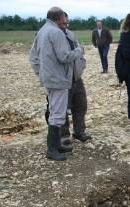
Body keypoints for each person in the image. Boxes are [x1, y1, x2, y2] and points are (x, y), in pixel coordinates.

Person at [30, 7, 84, 161]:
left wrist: (40, 73)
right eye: (64, 18)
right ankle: (52, 149)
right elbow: (64, 56)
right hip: (58, 79)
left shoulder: (42, 31)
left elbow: (33, 56)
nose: (65, 21)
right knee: (58, 114)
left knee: (54, 110)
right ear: (59, 18)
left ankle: (56, 145)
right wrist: (79, 51)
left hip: (50, 77)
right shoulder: (56, 32)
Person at [44, 12, 91, 146]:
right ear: (57, 20)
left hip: (76, 77)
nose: (66, 25)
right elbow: (64, 56)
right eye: (64, 22)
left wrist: (82, 63)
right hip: (62, 79)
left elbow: (79, 50)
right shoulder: (53, 35)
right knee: (62, 109)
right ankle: (64, 136)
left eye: (67, 22)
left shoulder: (70, 34)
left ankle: (79, 131)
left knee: (81, 104)